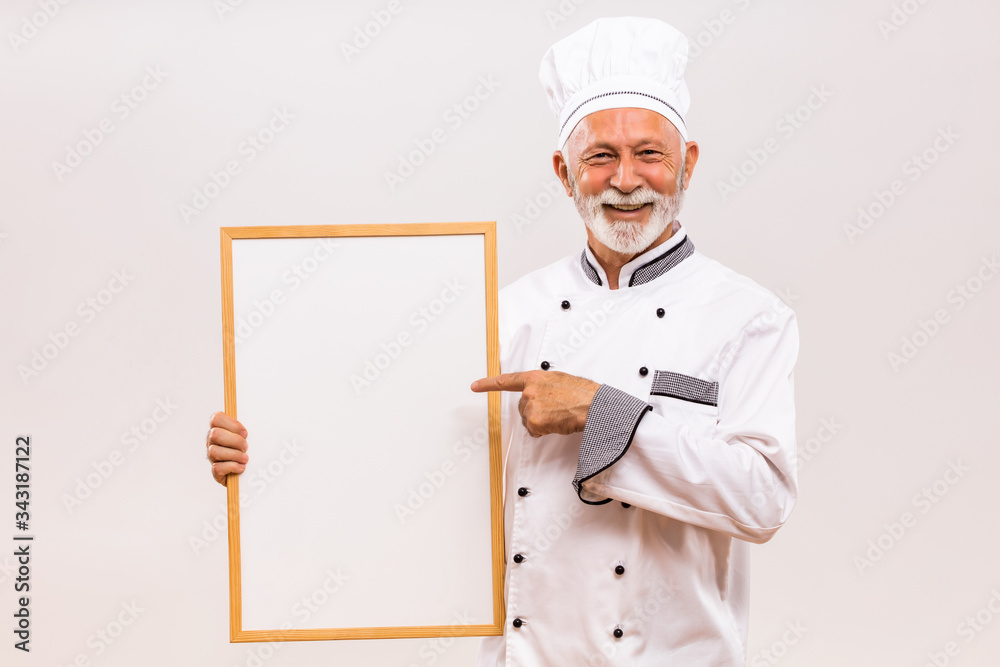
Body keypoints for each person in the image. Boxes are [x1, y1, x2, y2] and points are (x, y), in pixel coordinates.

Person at [207, 16, 799, 666]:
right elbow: (392, 447)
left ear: (687, 163)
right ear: (564, 172)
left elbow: (764, 500)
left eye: (649, 153)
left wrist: (601, 410)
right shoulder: (505, 314)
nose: (627, 179)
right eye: (600, 156)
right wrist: (263, 454)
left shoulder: (748, 318)